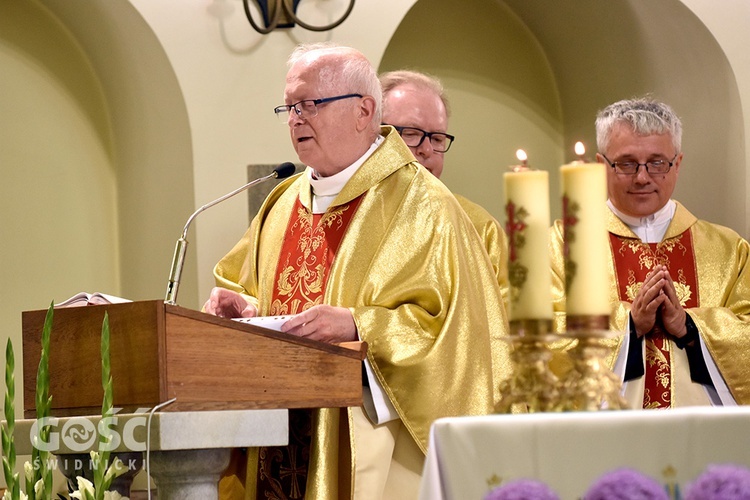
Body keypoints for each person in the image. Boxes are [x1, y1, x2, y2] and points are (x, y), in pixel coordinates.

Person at [205, 43, 511, 499]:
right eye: (289, 106)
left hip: (366, 452)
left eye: (311, 104)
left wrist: (357, 324)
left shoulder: (424, 205)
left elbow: (461, 334)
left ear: (364, 110)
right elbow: (250, 288)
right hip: (273, 438)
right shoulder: (282, 202)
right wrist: (244, 308)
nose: (295, 118)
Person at [550, 96, 750, 409]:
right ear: (602, 166)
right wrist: (628, 326)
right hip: (606, 439)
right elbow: (540, 337)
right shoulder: (562, 246)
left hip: (702, 438)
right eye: (627, 163)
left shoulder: (728, 250)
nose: (642, 177)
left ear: (678, 164)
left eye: (657, 163)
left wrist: (689, 327)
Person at [380, 70, 509, 306]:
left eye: (437, 139)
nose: (427, 150)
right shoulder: (349, 216)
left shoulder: (479, 228)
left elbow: (501, 320)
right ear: (375, 135)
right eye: (411, 133)